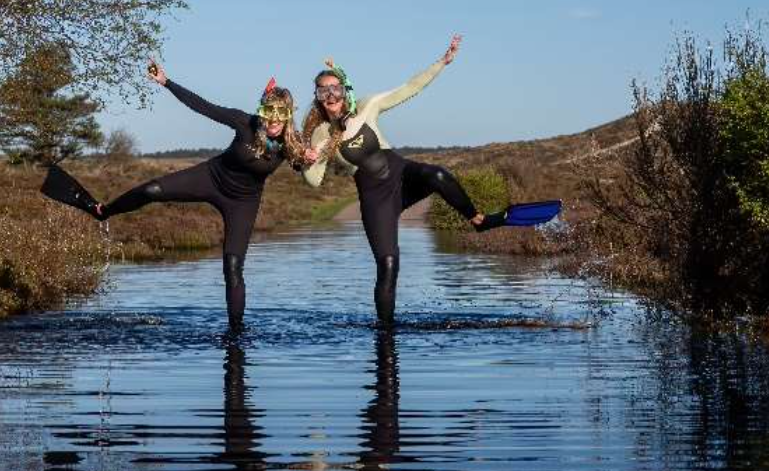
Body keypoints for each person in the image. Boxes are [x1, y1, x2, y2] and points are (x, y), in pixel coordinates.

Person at [301, 35, 560, 325]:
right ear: (318, 97)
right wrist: (306, 161)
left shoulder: (367, 106)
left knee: (438, 174)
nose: (330, 96)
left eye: (334, 88)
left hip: (402, 174)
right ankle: (385, 331)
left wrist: (442, 63)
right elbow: (314, 180)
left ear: (344, 90)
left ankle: (479, 220)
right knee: (388, 265)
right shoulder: (321, 134)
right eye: (323, 91)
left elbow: (410, 87)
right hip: (375, 199)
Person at [41, 62, 315, 332]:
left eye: (281, 114)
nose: (274, 121)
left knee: (232, 267)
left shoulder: (292, 143)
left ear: (288, 115)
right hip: (210, 178)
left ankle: (236, 333)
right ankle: (102, 210)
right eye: (270, 112)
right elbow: (202, 106)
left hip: (243, 202)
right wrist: (166, 82)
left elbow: (301, 167)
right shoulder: (244, 122)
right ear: (262, 110)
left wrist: (309, 160)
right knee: (152, 190)